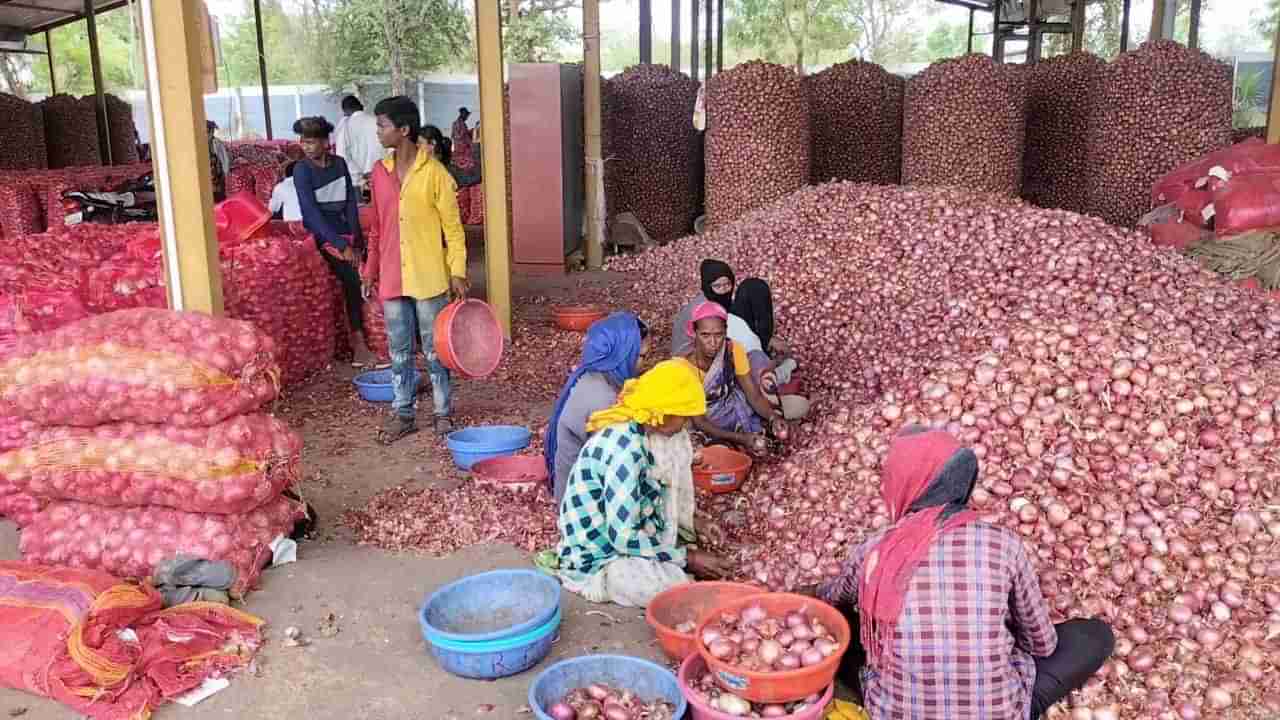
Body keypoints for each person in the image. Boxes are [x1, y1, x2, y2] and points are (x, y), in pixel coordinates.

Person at [816, 427, 1115, 720]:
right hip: (996, 713)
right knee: (1094, 635)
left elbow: (829, 601)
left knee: (839, 633)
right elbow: (1042, 644)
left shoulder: (875, 548)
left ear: (901, 485)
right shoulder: (1003, 543)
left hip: (893, 713)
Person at [549, 359, 733, 607]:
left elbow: (654, 492)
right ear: (661, 415)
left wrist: (695, 523)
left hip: (625, 532)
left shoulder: (643, 430)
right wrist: (686, 558)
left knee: (675, 571)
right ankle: (669, 575)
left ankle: (673, 568)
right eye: (683, 418)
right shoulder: (625, 452)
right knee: (641, 582)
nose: (685, 426)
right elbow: (622, 538)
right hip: (599, 556)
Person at [362, 96, 467, 443]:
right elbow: (376, 227)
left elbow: (453, 229)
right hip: (392, 275)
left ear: (403, 130)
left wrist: (458, 271)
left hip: (429, 275)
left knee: (435, 348)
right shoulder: (379, 173)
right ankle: (403, 412)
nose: (378, 131)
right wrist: (369, 270)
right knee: (398, 349)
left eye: (382, 125)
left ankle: (442, 412)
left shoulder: (435, 173)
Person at [291, 116, 376, 368]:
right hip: (321, 235)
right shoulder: (302, 170)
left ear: (325, 142)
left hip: (345, 232)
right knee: (351, 280)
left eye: (311, 142)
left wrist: (356, 238)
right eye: (303, 142)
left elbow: (350, 202)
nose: (306, 147)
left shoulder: (339, 164)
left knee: (372, 270)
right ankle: (358, 344)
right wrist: (340, 245)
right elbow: (311, 214)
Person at [544, 313, 650, 504]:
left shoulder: (595, 375)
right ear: (622, 353)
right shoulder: (602, 396)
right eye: (640, 356)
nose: (645, 363)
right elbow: (618, 461)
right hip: (582, 503)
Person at [681, 302, 786, 455]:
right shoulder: (684, 369)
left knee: (773, 435)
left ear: (726, 332)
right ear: (694, 333)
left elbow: (754, 396)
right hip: (710, 425)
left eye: (718, 335)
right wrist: (740, 438)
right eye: (705, 335)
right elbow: (700, 422)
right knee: (714, 454)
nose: (713, 343)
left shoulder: (732, 350)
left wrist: (773, 418)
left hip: (737, 409)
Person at [333, 95, 382, 190]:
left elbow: (341, 156)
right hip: (380, 177)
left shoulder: (344, 126)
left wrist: (360, 179)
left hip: (357, 184)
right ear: (361, 106)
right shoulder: (377, 122)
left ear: (344, 111)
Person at [206, 120, 229, 202]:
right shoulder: (199, 144)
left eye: (211, 131)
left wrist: (225, 174)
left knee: (219, 199)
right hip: (207, 180)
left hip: (217, 178)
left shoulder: (217, 143)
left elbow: (224, 160)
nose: (210, 134)